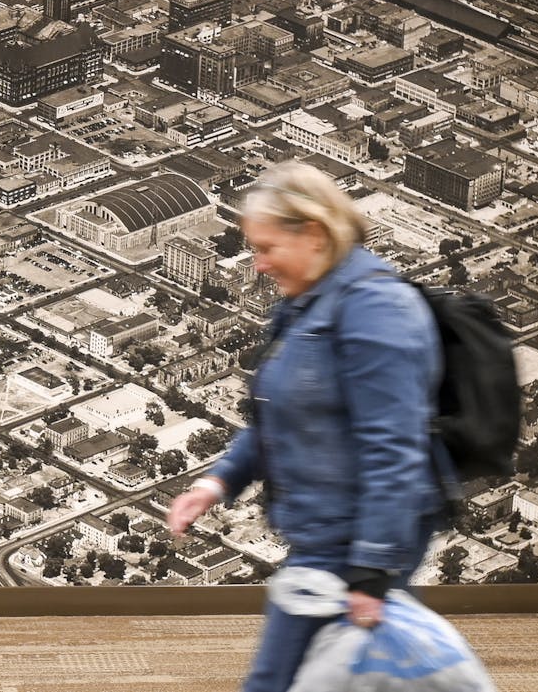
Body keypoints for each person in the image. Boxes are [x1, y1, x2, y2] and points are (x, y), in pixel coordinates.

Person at [166, 160, 449, 692]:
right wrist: (218, 480)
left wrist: (372, 572)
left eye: (267, 248)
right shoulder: (305, 308)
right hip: (323, 536)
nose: (257, 265)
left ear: (314, 235)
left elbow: (396, 446)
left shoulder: (376, 309)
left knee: (275, 682)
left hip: (349, 544)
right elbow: (280, 415)